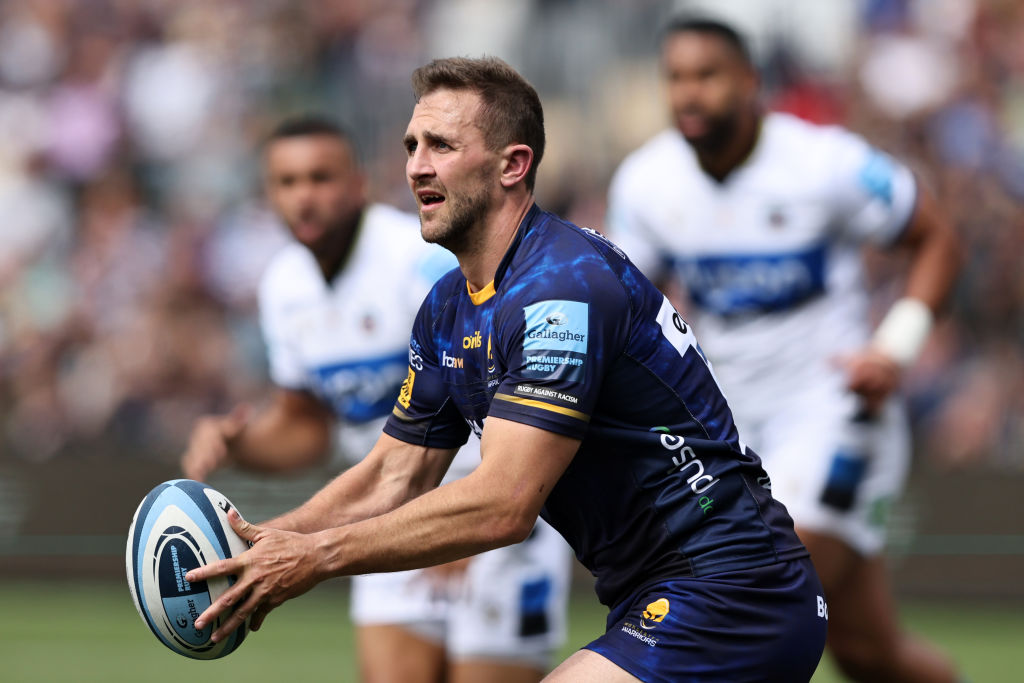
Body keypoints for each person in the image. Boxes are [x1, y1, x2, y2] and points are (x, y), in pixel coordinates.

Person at [186, 57, 827, 682]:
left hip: (736, 590)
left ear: (512, 165)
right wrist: (256, 543)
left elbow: (504, 504)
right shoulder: (446, 308)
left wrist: (316, 557)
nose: (416, 166)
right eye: (411, 145)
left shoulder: (563, 290)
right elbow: (394, 472)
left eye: (440, 144)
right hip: (653, 596)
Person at [605, 17, 962, 683]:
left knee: (753, 600)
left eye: (706, 76)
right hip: (731, 430)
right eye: (675, 78)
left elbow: (937, 235)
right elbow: (632, 310)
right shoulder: (646, 183)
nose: (688, 93)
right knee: (867, 652)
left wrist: (896, 347)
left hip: (834, 413)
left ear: (749, 82)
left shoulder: (825, 163)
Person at [180, 116, 572, 683]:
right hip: (381, 515)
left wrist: (470, 525)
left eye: (320, 178)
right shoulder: (283, 286)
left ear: (358, 183)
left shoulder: (421, 260)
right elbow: (308, 426)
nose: (304, 197)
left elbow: (512, 398)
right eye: (287, 182)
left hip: (490, 514)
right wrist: (241, 444)